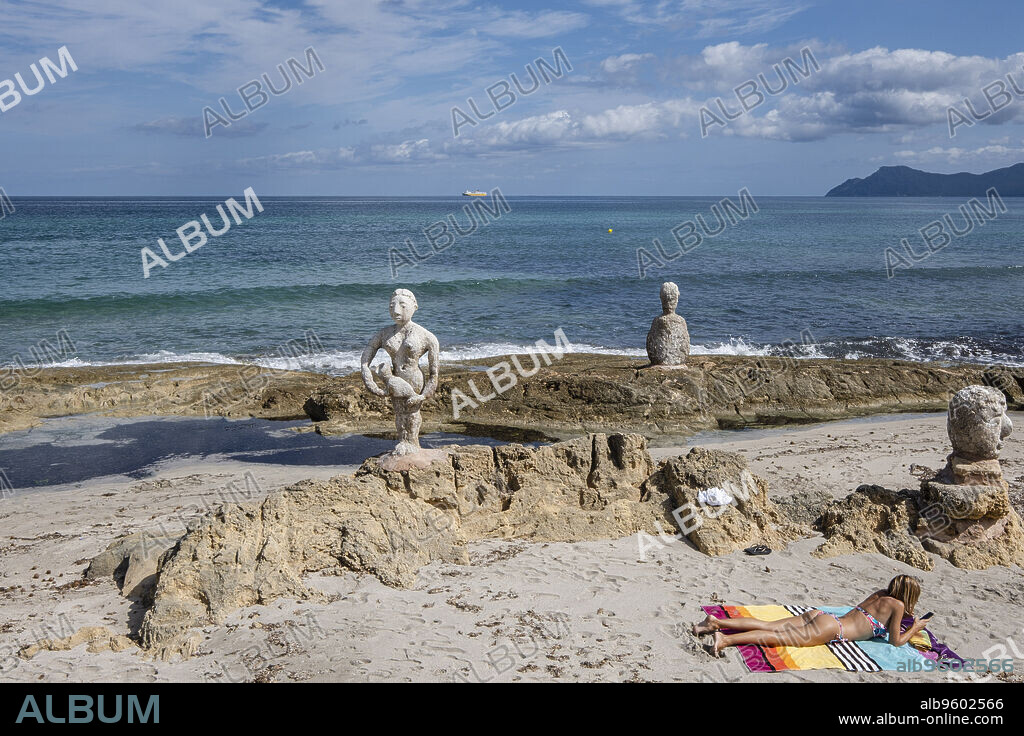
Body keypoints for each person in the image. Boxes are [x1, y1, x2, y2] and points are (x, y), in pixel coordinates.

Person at [693, 575, 929, 657]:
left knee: (770, 625)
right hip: (834, 630)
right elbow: (895, 641)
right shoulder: (897, 606)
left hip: (823, 617)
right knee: (774, 638)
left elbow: (858, 612)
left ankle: (715, 622)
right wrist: (916, 627)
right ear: (909, 594)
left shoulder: (880, 595)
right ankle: (724, 640)